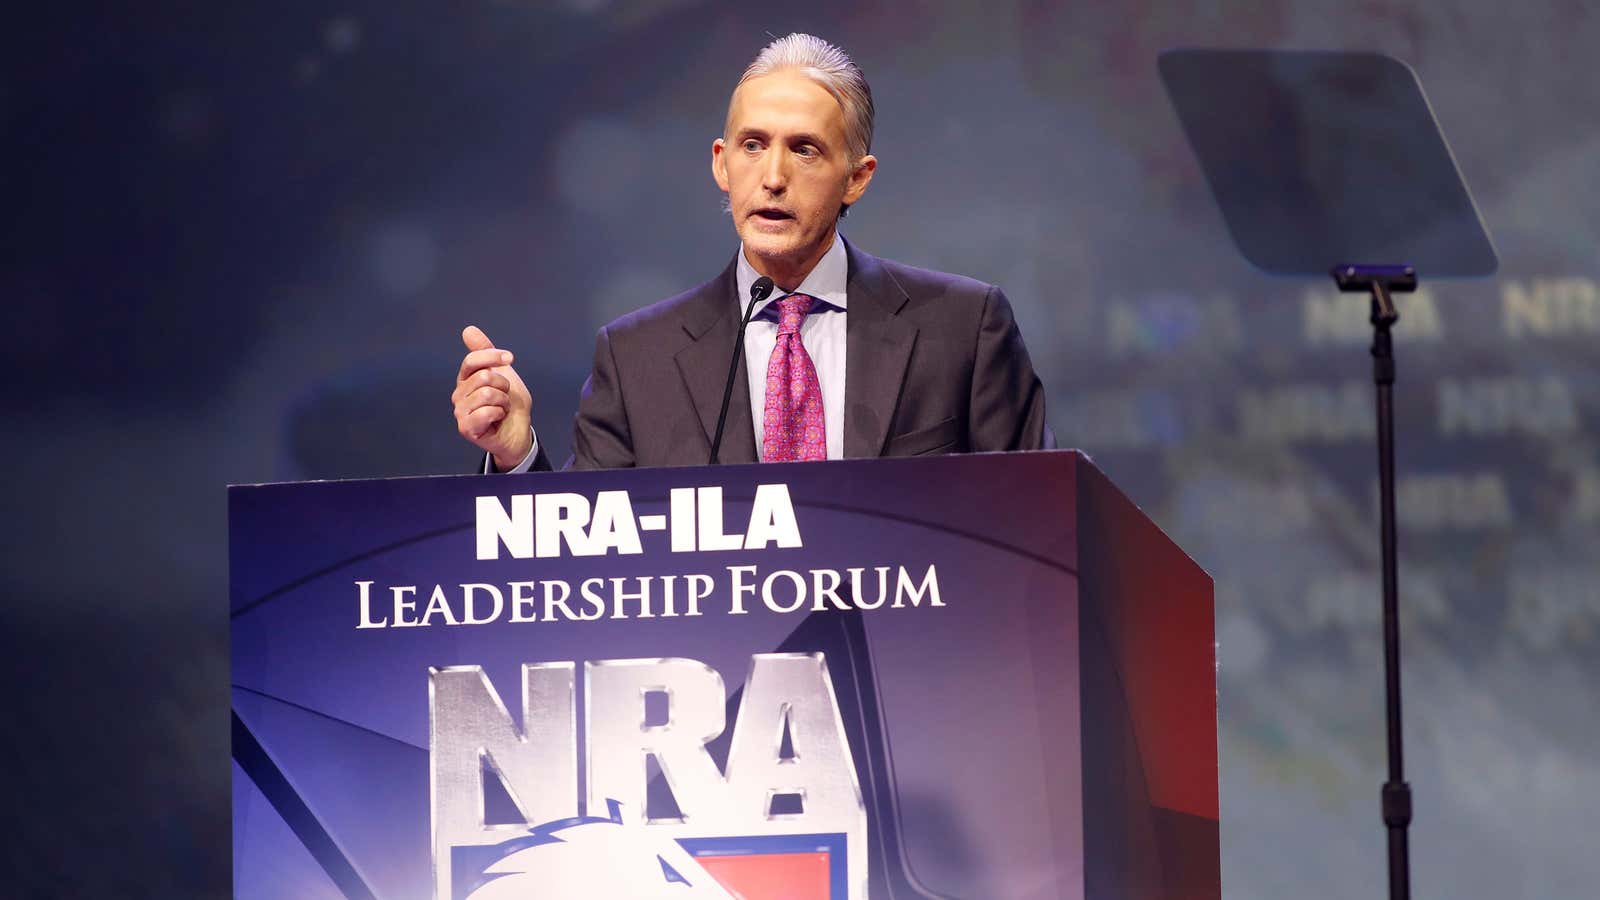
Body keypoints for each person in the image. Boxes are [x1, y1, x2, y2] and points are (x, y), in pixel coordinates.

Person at [452, 33, 1049, 471]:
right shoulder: (637, 359)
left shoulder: (964, 329)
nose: (773, 177)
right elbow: (593, 572)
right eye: (754, 145)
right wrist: (516, 455)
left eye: (806, 150)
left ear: (857, 177)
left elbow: (1033, 529)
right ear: (721, 163)